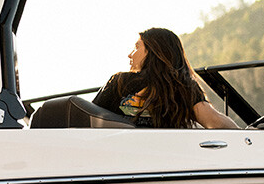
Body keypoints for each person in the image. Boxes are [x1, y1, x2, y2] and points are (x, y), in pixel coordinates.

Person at [93, 26, 238, 129]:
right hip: (169, 159)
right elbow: (214, 121)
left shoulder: (119, 82)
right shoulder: (184, 86)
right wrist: (247, 134)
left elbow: (87, 117)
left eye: (137, 47)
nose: (130, 54)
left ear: (154, 51)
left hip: (121, 157)